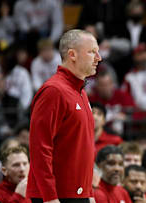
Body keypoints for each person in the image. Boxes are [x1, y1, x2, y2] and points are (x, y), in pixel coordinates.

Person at [27, 29, 101, 203]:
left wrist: (88, 193)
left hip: (78, 194)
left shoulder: (81, 92)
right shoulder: (53, 91)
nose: (99, 57)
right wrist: (49, 197)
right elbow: (40, 148)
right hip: (56, 196)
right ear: (72, 55)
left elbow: (83, 147)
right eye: (92, 52)